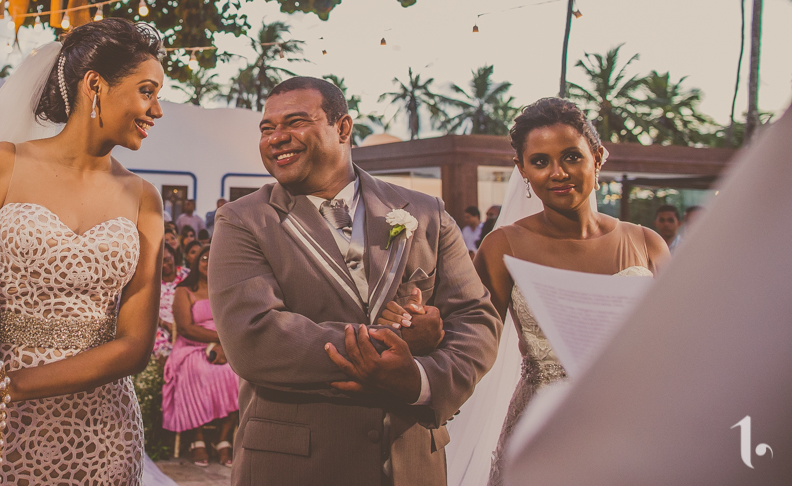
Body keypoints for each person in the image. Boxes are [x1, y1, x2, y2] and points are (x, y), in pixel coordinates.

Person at [209, 76, 501, 486]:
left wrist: (417, 380)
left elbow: (477, 319)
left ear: (343, 128)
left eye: (294, 122)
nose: (277, 138)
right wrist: (387, 342)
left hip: (412, 465)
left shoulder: (426, 212)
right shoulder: (242, 220)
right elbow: (255, 337)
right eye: (267, 128)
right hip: (296, 467)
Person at [0, 19, 166, 486]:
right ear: (95, 84)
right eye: (147, 91)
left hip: (102, 429)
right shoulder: (0, 164)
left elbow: (135, 346)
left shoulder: (144, 198)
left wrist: (7, 386)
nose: (157, 109)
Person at [473, 97, 669, 486]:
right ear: (522, 169)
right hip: (545, 427)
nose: (558, 172)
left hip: (636, 425)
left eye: (571, 157)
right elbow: (472, 340)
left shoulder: (647, 243)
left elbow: (681, 341)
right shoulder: (503, 246)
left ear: (597, 157)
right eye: (540, 161)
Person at [163, 243, 240, 467]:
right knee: (197, 371)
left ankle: (223, 439)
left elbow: (236, 321)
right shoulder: (184, 291)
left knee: (236, 375)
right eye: (203, 258)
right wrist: (218, 339)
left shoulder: (227, 289)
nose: (207, 262)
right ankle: (197, 439)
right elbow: (185, 328)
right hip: (191, 346)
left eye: (212, 257)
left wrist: (225, 345)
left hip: (226, 345)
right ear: (196, 264)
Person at [134, 244, 181, 457]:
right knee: (162, 357)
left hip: (184, 330)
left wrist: (180, 326)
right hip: (159, 329)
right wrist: (164, 323)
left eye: (169, 259)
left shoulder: (186, 277)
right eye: (163, 261)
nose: (167, 264)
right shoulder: (152, 280)